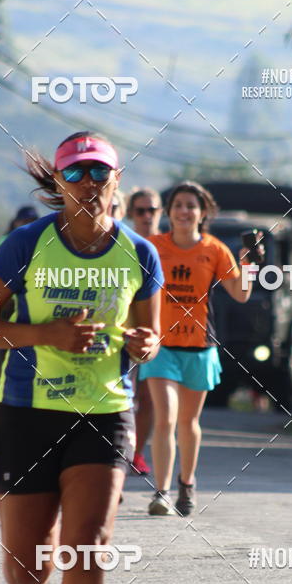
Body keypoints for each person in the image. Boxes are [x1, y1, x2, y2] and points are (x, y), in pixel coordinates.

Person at [0, 131, 163, 584]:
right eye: (75, 174)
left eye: (98, 172)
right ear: (57, 183)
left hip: (104, 414)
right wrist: (45, 335)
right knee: (27, 566)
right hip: (28, 412)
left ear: (116, 179)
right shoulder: (26, 245)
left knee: (90, 547)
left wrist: (146, 344)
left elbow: (149, 338)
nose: (88, 184)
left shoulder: (139, 254)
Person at [138, 180, 251, 516]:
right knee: (165, 418)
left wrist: (250, 264)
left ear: (203, 213)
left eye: (191, 206)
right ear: (168, 212)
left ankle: (187, 483)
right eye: (178, 205)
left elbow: (241, 294)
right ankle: (161, 492)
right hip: (161, 347)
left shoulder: (215, 250)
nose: (184, 211)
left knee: (188, 422)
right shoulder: (152, 247)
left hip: (199, 347)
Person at [126, 188, 164, 475]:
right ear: (131, 214)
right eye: (141, 211)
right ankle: (121, 451)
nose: (147, 216)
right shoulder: (124, 243)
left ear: (160, 213)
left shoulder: (168, 245)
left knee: (148, 399)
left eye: (152, 210)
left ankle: (137, 453)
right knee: (128, 396)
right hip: (126, 332)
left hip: (158, 332)